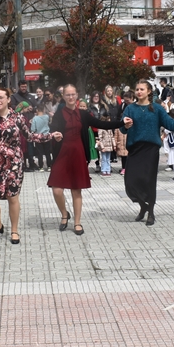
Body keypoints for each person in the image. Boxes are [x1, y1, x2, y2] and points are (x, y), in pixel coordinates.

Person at [0, 88, 57, 244]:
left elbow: (29, 136)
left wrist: (50, 135)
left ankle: (14, 230)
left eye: (1, 97)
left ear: (8, 99)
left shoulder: (18, 117)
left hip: (14, 163)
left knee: (12, 196)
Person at [45, 85, 120, 235]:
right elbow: (53, 129)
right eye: (68, 95)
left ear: (77, 95)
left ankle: (77, 222)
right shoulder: (59, 114)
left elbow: (101, 124)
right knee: (57, 189)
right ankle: (64, 214)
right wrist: (55, 134)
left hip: (78, 152)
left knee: (76, 189)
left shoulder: (83, 114)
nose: (70, 97)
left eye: (73, 94)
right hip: (62, 153)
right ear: (64, 96)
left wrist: (122, 123)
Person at [119, 80, 174, 226]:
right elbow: (122, 128)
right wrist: (125, 125)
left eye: (142, 89)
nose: (139, 92)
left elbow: (170, 124)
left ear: (149, 91)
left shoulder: (157, 108)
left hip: (151, 149)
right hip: (135, 149)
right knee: (130, 182)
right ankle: (143, 205)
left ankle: (151, 212)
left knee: (148, 181)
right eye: (137, 89)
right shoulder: (130, 108)